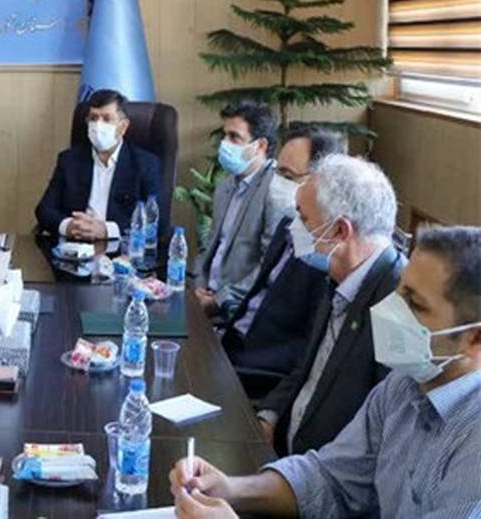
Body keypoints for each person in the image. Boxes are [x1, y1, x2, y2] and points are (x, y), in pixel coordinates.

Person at [170, 225, 481, 519]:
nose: (392, 309)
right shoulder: (403, 385)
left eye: (415, 304)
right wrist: (231, 488)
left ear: (475, 338)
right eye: (399, 292)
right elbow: (332, 478)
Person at [255, 154, 405, 457]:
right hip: (283, 453)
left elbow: (383, 436)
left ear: (340, 231)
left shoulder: (398, 303)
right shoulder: (339, 275)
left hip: (324, 473)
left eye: (304, 219)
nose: (294, 228)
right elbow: (308, 368)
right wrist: (269, 415)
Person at [222, 126, 346, 395]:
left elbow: (307, 351)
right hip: (229, 342)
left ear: (322, 181)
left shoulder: (328, 253)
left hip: (257, 370)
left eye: (288, 176)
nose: (277, 183)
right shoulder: (288, 224)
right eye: (278, 172)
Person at [193, 101, 281, 321]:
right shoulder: (225, 186)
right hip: (204, 298)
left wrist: (219, 301)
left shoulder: (276, 191)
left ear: (260, 146)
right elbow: (208, 246)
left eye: (234, 137)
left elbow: (269, 266)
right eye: (224, 135)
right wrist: (198, 287)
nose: (225, 143)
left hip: (237, 312)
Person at [35, 89, 162, 241]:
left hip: (121, 247)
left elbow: (156, 220)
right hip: (74, 246)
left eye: (107, 119)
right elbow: (44, 209)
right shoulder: (69, 160)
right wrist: (68, 226)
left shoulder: (145, 164)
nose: (98, 125)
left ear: (123, 126)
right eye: (93, 118)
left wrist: (106, 230)